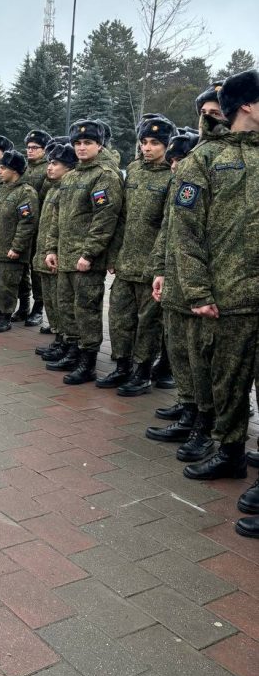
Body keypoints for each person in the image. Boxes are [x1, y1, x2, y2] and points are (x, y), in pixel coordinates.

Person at [168, 70, 259, 539]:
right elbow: (186, 233)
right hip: (230, 298)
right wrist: (199, 292)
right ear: (246, 105)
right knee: (228, 380)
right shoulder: (204, 158)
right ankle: (229, 452)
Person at [145, 128, 214, 461]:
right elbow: (167, 233)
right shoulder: (178, 185)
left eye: (179, 160)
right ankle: (187, 409)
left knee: (198, 357)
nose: (174, 166)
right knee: (179, 352)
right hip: (172, 280)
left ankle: (203, 421)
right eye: (171, 161)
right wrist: (159, 270)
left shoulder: (202, 183)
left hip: (196, 285)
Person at [98, 115, 175, 395]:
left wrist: (161, 267)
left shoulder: (174, 175)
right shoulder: (133, 170)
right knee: (119, 317)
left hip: (151, 266)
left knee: (148, 324)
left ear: (168, 145)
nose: (148, 148)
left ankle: (142, 372)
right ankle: (122, 366)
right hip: (126, 261)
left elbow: (170, 226)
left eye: (155, 143)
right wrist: (114, 254)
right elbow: (122, 217)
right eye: (144, 142)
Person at [45, 119, 124, 384]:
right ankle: (73, 350)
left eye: (87, 142)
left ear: (99, 145)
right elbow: (58, 216)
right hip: (66, 255)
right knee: (67, 307)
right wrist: (51, 248)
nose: (81, 147)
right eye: (77, 143)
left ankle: (88, 361)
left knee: (86, 309)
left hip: (85, 260)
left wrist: (89, 253)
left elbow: (105, 218)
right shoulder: (73, 176)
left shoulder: (105, 176)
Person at [0, 150, 39, 332]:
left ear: (15, 170)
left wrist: (17, 247)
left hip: (10, 251)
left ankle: (5, 316)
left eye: (3, 168)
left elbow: (27, 223)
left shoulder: (26, 192)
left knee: (7, 286)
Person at [32, 141, 77, 360]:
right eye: (49, 163)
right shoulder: (52, 189)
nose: (50, 167)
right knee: (51, 301)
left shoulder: (67, 190)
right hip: (46, 253)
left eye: (56, 164)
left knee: (62, 304)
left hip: (60, 256)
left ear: (69, 167)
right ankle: (59, 339)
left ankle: (68, 343)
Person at [13, 128, 53, 326]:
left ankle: (38, 308)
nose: (30, 151)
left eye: (35, 148)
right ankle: (23, 305)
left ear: (44, 149)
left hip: (39, 227)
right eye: (28, 147)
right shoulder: (25, 168)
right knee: (21, 269)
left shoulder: (48, 169)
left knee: (37, 271)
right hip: (22, 226)